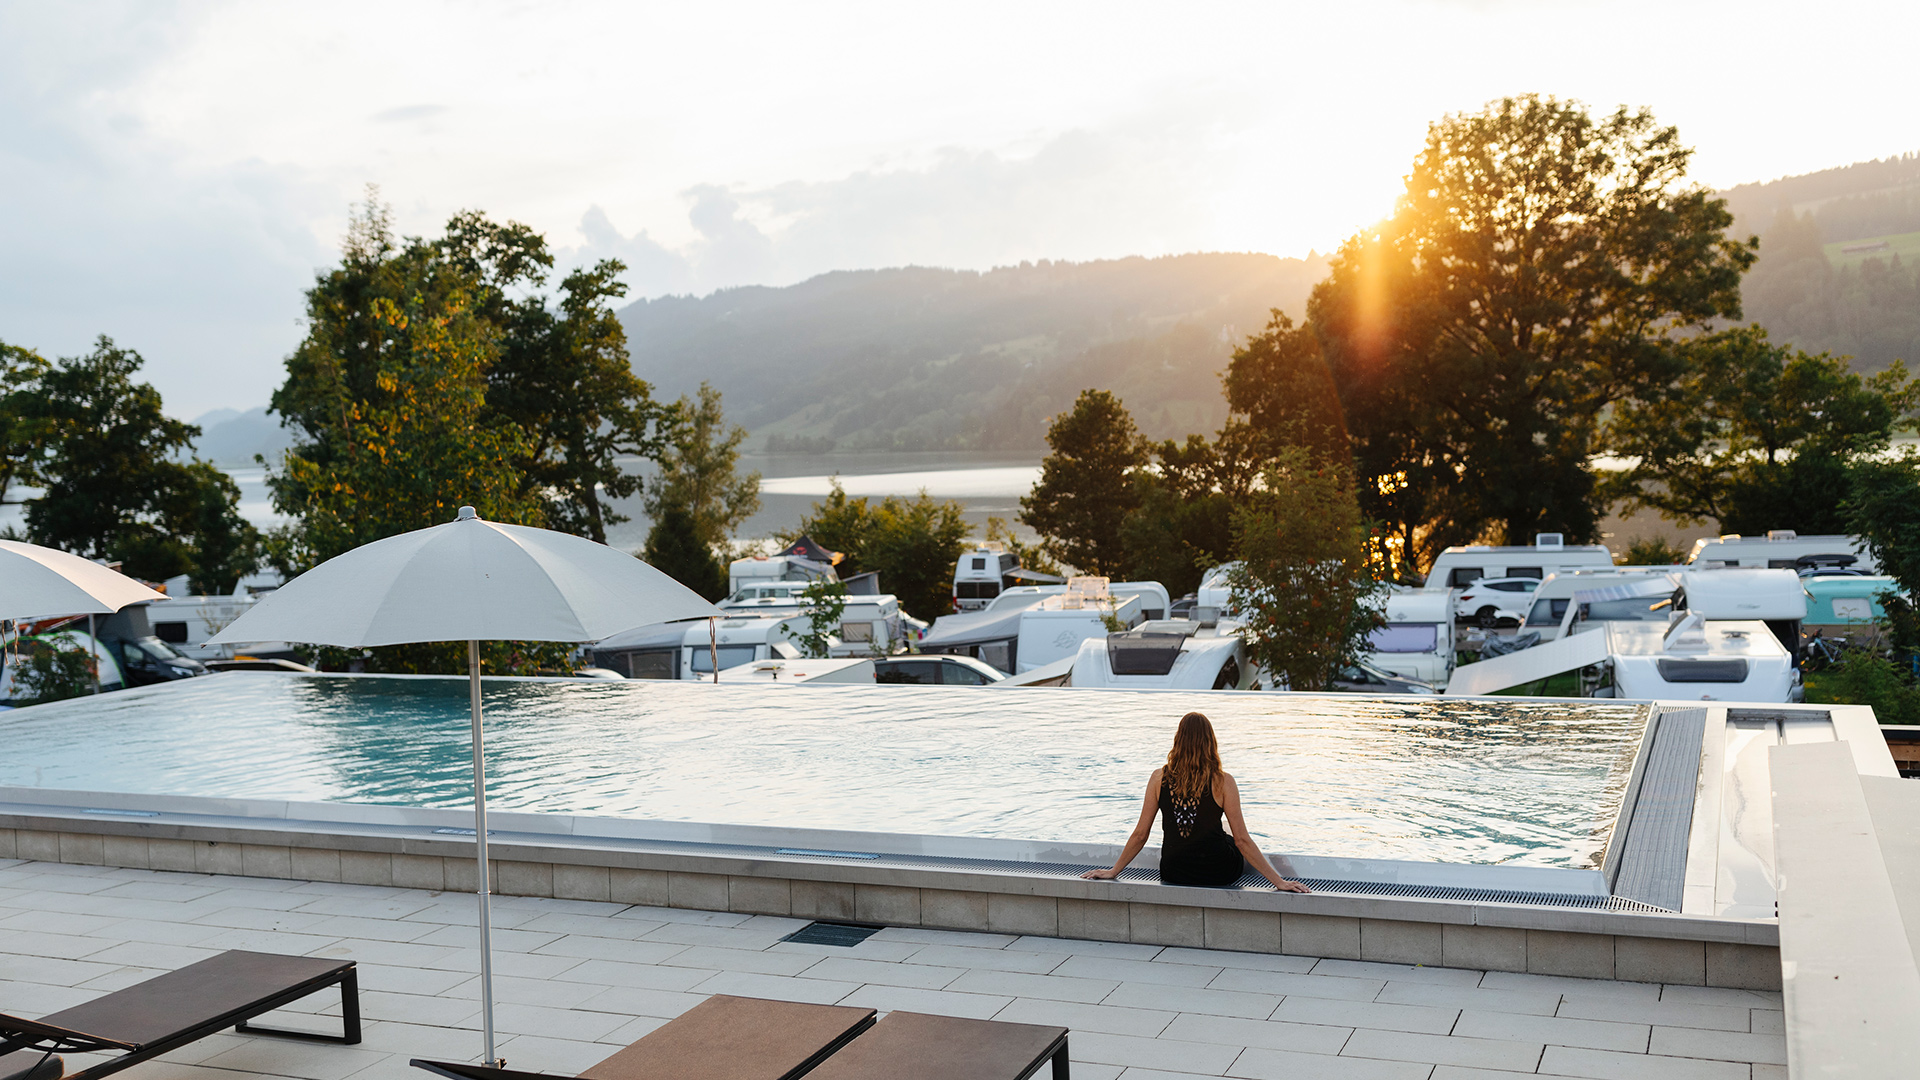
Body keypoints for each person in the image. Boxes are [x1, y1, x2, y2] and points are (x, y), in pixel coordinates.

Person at [1081, 711, 1310, 892]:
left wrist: (1114, 871)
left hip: (1174, 871)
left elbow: (1141, 833)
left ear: (1178, 741)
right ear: (1210, 742)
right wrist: (1278, 881)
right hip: (1219, 872)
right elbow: (1242, 841)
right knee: (1230, 832)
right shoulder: (1223, 781)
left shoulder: (1158, 778)